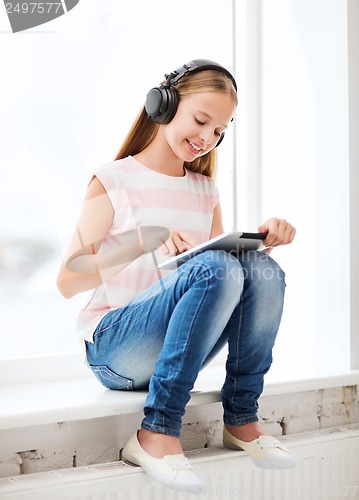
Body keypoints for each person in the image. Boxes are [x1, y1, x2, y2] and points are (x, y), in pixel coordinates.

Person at [57, 59, 296, 493]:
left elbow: (215, 274)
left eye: (219, 131)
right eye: (201, 120)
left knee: (259, 268)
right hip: (114, 350)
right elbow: (67, 280)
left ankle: (241, 418)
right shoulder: (113, 180)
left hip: (176, 352)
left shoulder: (205, 191)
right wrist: (144, 239)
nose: (207, 138)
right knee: (219, 266)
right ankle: (156, 429)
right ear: (164, 105)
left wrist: (262, 239)